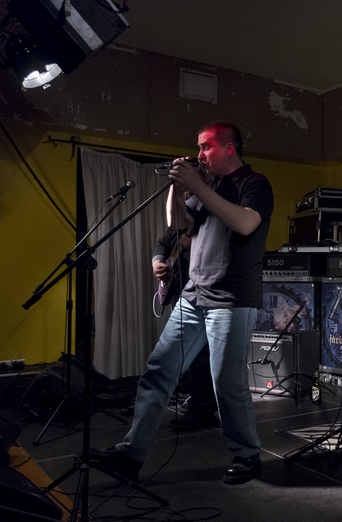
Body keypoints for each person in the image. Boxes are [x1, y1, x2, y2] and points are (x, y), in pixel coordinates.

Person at [101, 121, 274, 485]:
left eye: (206, 146)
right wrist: (178, 191)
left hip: (231, 299)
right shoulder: (210, 187)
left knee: (226, 382)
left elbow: (245, 224)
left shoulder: (254, 183)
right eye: (198, 147)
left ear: (229, 148)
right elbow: (179, 224)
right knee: (159, 370)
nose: (199, 154)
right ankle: (130, 454)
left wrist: (197, 186)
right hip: (194, 295)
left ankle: (247, 455)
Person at [152, 226, 219, 431]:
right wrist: (158, 261)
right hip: (181, 289)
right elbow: (164, 242)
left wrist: (194, 245)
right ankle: (198, 404)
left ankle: (202, 410)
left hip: (206, 290)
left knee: (202, 354)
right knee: (183, 352)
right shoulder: (183, 219)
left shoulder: (210, 217)